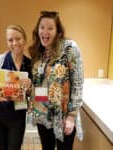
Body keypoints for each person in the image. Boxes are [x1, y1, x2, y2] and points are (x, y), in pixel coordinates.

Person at [28, 11, 84, 150]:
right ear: (38, 30)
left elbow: (77, 82)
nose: (45, 31)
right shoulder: (37, 52)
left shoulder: (69, 48)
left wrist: (72, 116)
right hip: (43, 114)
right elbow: (38, 83)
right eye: (42, 27)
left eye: (50, 28)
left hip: (63, 115)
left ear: (58, 32)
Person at [0, 24, 32, 150]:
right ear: (7, 42)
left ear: (25, 39)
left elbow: (32, 94)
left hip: (18, 117)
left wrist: (29, 88)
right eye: (10, 40)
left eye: (18, 38)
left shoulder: (30, 65)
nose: (15, 43)